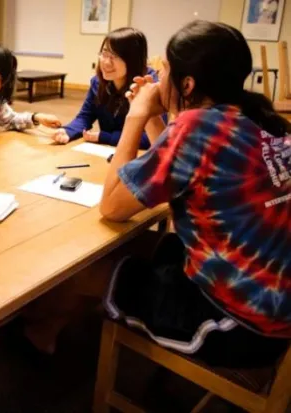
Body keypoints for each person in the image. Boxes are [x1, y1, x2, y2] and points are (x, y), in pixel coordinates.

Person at [100, 20, 290, 367]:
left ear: (187, 84)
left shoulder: (198, 127)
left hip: (238, 327)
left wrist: (137, 115)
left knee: (111, 266)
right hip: (274, 304)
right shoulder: (256, 118)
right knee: (167, 247)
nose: (159, 80)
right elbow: (172, 171)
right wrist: (164, 117)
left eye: (165, 71)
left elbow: (112, 205)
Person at [52, 27, 165, 150]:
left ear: (133, 59)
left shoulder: (149, 86)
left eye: (115, 56)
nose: (106, 62)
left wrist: (105, 137)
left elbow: (153, 138)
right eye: (104, 53)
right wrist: (68, 131)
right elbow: (85, 117)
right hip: (108, 152)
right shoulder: (98, 83)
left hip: (138, 155)